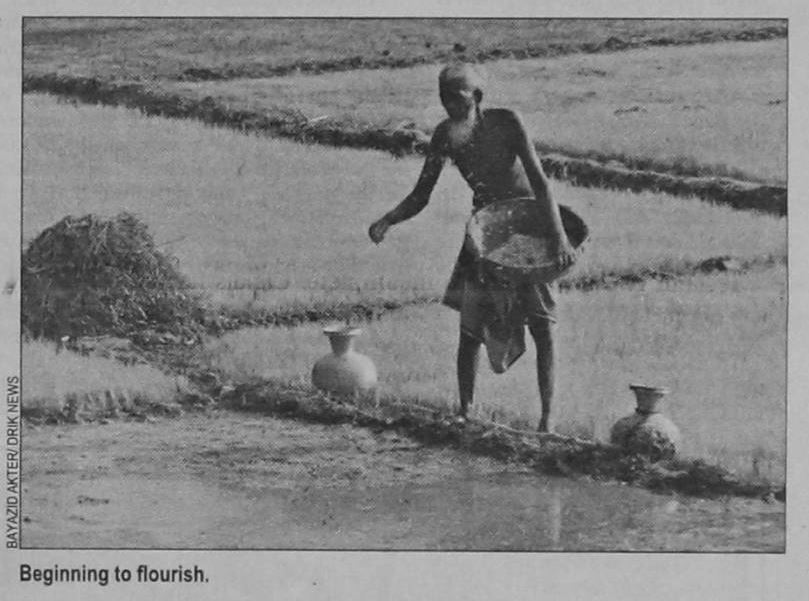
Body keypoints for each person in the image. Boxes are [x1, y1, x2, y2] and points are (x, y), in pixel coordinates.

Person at [368, 63, 575, 432]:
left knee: (542, 325)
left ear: (477, 97)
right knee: (470, 327)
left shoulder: (507, 122)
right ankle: (466, 409)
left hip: (526, 226)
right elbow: (421, 194)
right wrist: (388, 220)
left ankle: (548, 418)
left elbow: (541, 182)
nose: (449, 104)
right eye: (443, 97)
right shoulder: (445, 135)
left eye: (456, 97)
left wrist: (558, 237)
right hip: (484, 232)